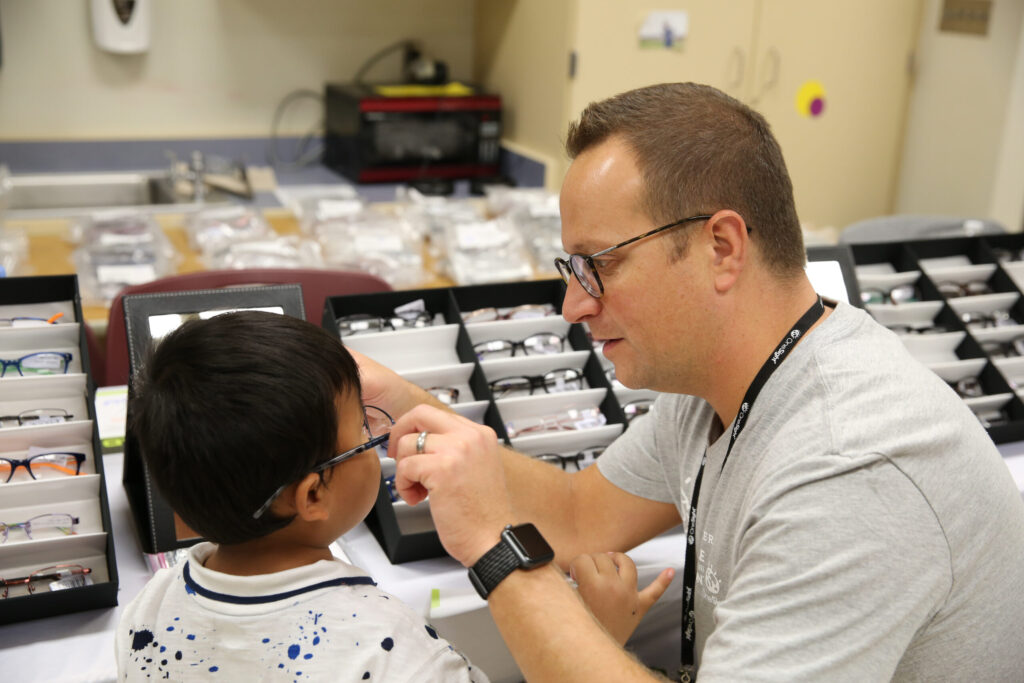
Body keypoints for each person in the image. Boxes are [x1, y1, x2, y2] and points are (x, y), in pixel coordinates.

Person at [356, 82, 1024, 681]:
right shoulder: (724, 385)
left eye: (600, 265)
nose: (573, 305)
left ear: (723, 248)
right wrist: (408, 405)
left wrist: (498, 551)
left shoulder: (848, 465)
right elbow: (579, 515)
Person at [116, 311, 488, 682]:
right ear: (312, 496)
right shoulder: (394, 650)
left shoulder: (147, 609)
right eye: (363, 426)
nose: (377, 433)